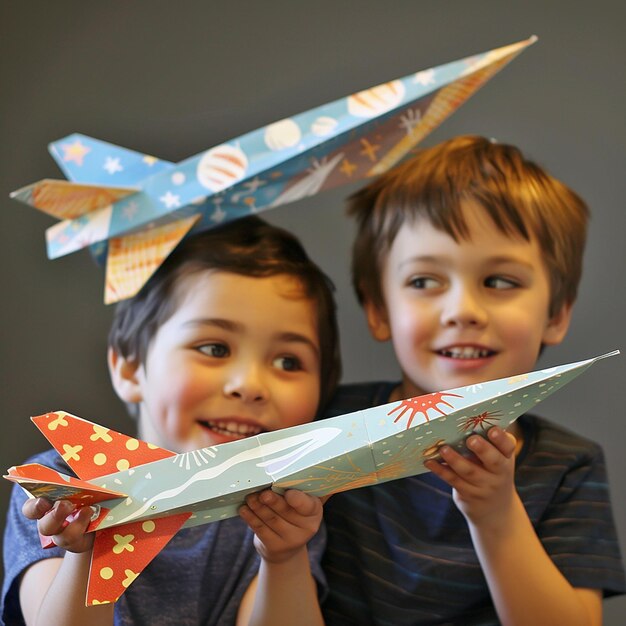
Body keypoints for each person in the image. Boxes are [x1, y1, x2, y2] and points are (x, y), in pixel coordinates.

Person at [321, 136, 625, 625]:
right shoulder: (328, 426)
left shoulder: (567, 465)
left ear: (556, 314)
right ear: (378, 310)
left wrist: (496, 514)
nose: (463, 310)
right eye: (424, 282)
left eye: (500, 282)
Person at [2, 216, 341, 626]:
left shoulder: (286, 506)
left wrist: (284, 557)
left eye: (288, 361)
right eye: (215, 348)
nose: (250, 385)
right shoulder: (62, 487)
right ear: (130, 369)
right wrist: (84, 553)